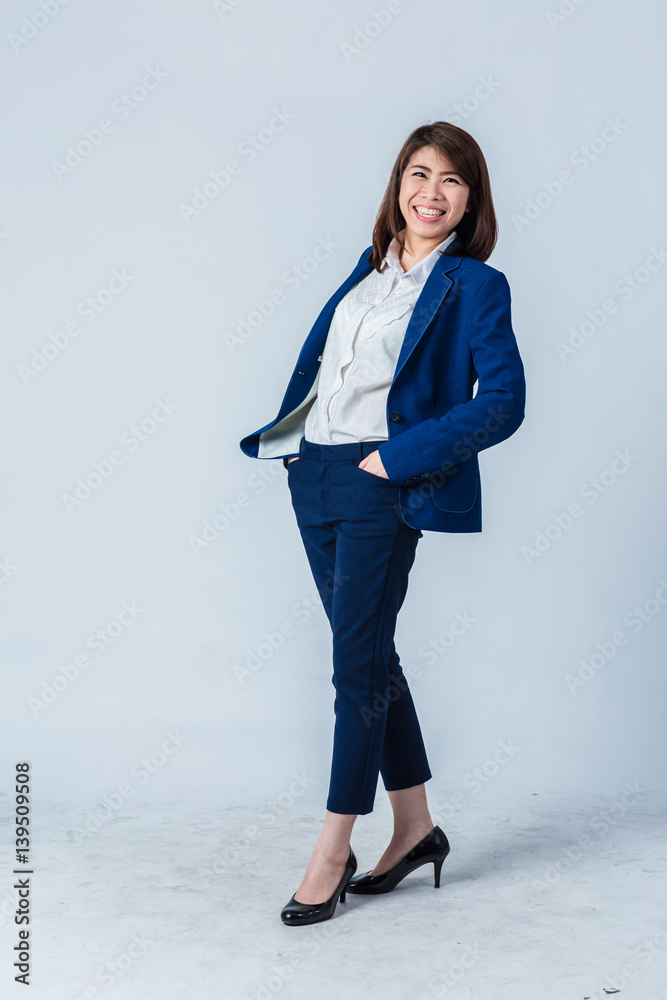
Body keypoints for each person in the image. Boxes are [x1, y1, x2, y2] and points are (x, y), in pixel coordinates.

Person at [239, 121, 526, 926]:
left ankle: (334, 849)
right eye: (418, 173)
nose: (430, 193)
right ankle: (416, 829)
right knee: (370, 657)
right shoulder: (362, 274)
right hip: (314, 476)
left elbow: (502, 403)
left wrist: (393, 461)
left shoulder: (474, 286)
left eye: (452, 181)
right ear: (397, 182)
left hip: (378, 480)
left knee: (352, 673)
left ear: (471, 201)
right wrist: (295, 449)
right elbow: (328, 370)